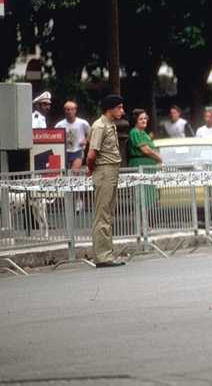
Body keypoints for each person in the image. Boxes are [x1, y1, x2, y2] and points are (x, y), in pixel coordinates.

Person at [87, 94, 126, 268]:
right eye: (119, 107)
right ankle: (102, 257)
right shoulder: (100, 126)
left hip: (111, 170)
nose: (122, 111)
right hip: (104, 170)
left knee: (108, 213)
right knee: (102, 214)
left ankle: (107, 254)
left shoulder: (110, 125)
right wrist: (91, 169)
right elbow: (91, 154)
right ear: (110, 108)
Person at [127, 108, 162, 208]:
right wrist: (159, 158)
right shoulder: (135, 132)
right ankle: (143, 221)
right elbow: (146, 150)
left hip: (148, 167)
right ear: (135, 121)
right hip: (140, 165)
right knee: (143, 195)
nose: (144, 120)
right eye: (141, 119)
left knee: (149, 195)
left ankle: (148, 221)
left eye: (145, 118)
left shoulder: (144, 133)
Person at [55, 100, 91, 171]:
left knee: (74, 172)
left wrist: (86, 140)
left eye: (72, 109)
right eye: (68, 109)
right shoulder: (59, 125)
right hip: (64, 151)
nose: (70, 111)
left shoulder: (83, 123)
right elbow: (54, 138)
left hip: (77, 150)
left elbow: (91, 134)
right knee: (63, 173)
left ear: (75, 110)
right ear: (65, 111)